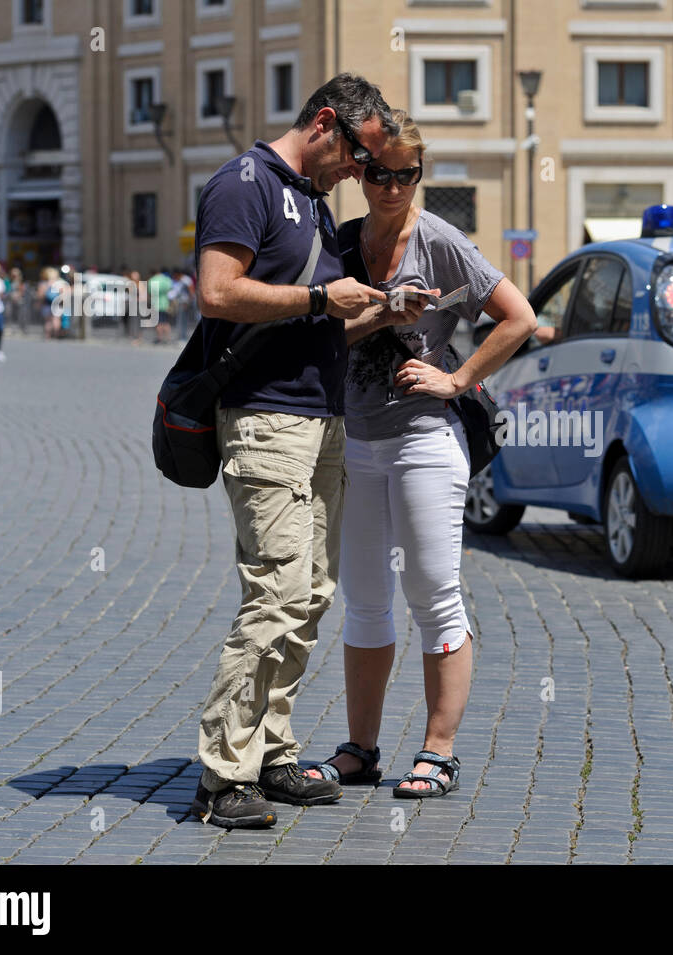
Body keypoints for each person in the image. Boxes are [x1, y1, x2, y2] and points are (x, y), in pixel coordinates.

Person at [189, 73, 431, 830]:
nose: (360, 175)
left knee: (312, 593)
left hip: (320, 422)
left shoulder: (315, 205)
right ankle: (223, 771)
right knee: (278, 592)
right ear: (326, 123)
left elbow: (315, 324)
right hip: (266, 422)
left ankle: (271, 750)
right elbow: (217, 292)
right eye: (358, 157)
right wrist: (324, 298)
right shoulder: (247, 184)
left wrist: (381, 309)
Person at [309, 110, 536, 798]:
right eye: (377, 172)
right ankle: (361, 748)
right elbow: (321, 340)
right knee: (366, 600)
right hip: (357, 439)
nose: (390, 186)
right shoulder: (342, 243)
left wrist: (458, 379)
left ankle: (438, 751)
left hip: (424, 440)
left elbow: (519, 316)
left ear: (418, 173)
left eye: (404, 173)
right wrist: (380, 312)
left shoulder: (438, 244)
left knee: (434, 594)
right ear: (360, 173)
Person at [148, 265, 172, 344]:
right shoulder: (166, 279)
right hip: (165, 303)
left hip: (155, 303)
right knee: (165, 321)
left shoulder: (152, 280)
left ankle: (159, 338)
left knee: (158, 322)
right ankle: (168, 338)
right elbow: (171, 289)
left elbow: (150, 293)